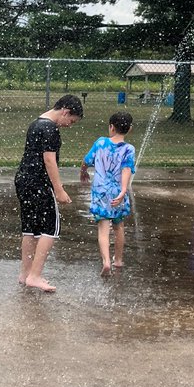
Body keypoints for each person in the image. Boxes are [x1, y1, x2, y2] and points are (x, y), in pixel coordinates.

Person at [14, 94, 84, 293]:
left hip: (24, 180)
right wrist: (59, 189)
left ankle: (26, 273)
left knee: (30, 228)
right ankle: (35, 276)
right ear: (65, 111)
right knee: (50, 228)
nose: (69, 125)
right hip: (40, 183)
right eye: (71, 120)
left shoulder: (36, 123)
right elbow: (49, 160)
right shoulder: (51, 128)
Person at [81, 111, 136, 276]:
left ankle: (106, 261)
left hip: (100, 192)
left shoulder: (101, 143)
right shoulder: (129, 149)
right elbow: (127, 168)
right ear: (130, 129)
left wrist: (83, 171)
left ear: (111, 127)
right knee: (118, 227)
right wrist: (124, 189)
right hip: (117, 191)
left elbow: (87, 160)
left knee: (103, 228)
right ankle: (117, 260)